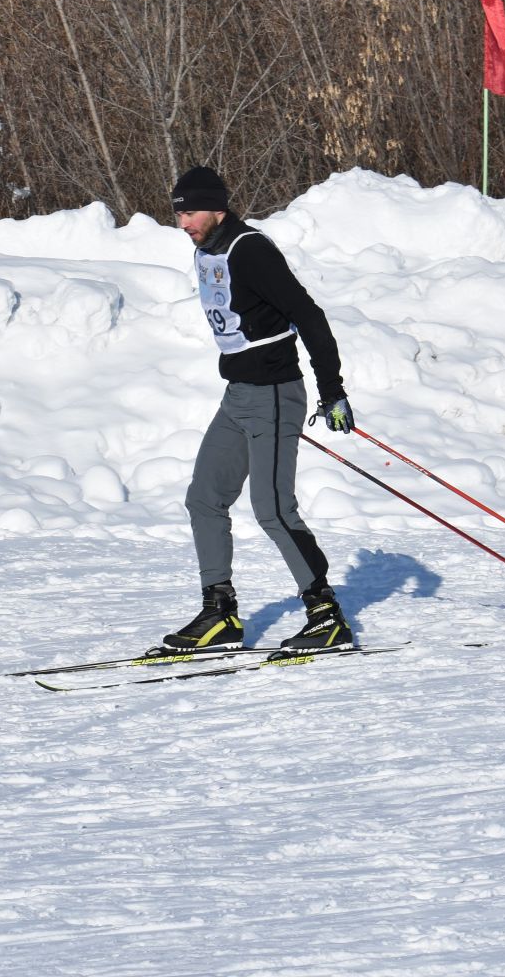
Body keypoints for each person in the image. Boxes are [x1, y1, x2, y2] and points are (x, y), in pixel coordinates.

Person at [156, 165, 357, 657]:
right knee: (204, 498)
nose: (184, 223)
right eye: (178, 213)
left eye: (191, 212)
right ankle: (220, 613)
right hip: (239, 395)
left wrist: (332, 389)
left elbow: (309, 315)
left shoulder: (251, 250)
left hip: (273, 393)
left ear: (218, 208)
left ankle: (325, 615)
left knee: (272, 510)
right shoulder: (209, 250)